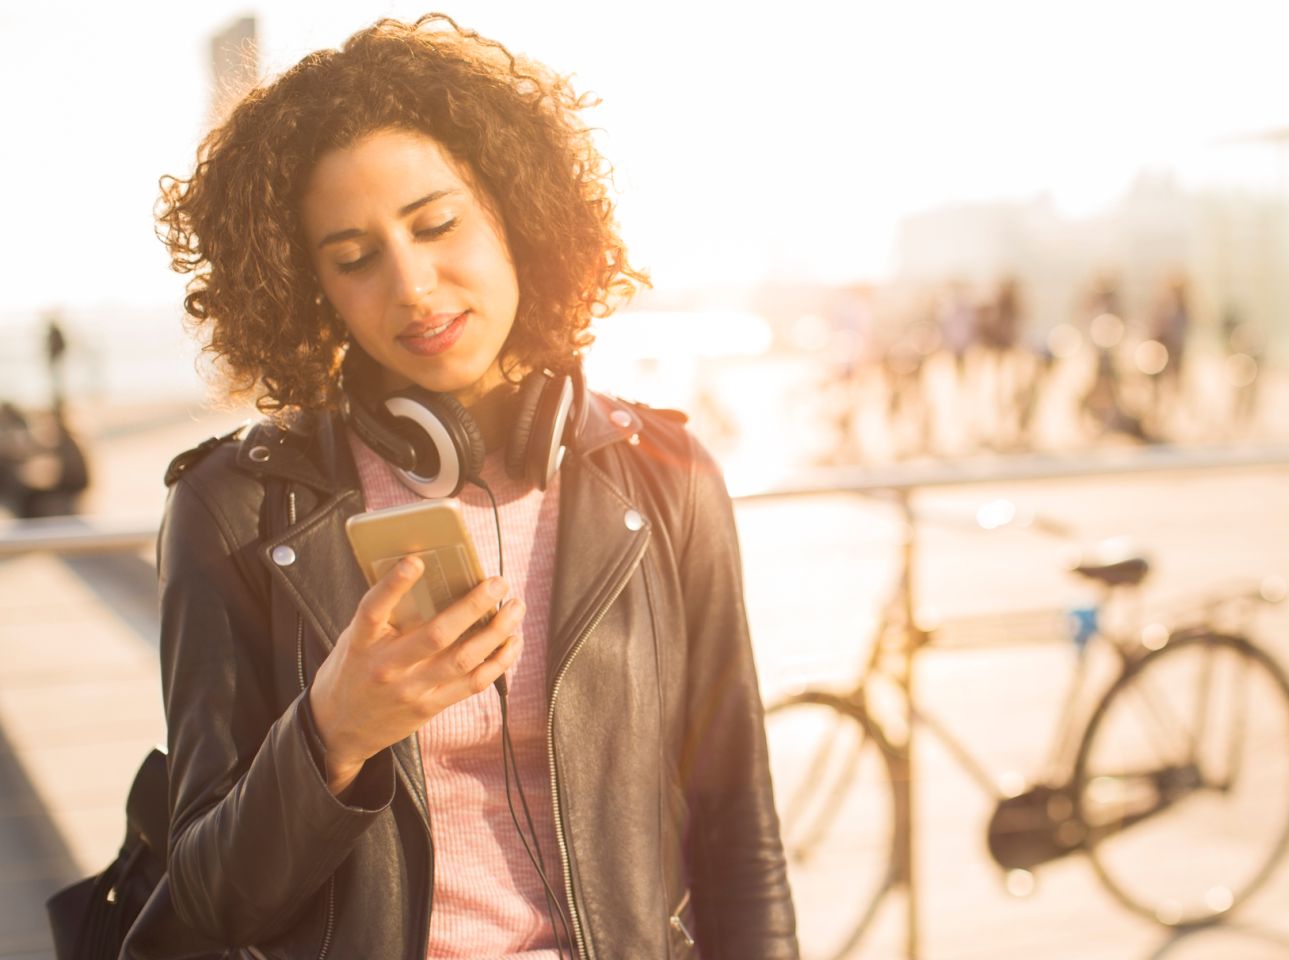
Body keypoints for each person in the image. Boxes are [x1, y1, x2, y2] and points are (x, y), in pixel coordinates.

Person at [138, 15, 796, 959]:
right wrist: (334, 733)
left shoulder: (667, 480)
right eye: (355, 258)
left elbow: (743, 840)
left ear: (515, 213)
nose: (412, 284)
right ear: (309, 287)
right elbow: (207, 902)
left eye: (437, 223)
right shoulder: (233, 510)